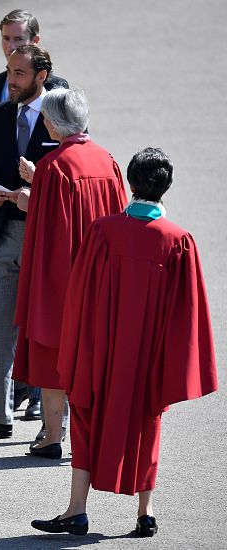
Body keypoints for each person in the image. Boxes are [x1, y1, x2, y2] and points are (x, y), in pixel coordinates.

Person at [31, 147, 217, 537]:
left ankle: (76, 510)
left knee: (84, 417)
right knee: (148, 424)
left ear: (130, 184)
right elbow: (187, 314)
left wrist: (76, 347)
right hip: (147, 358)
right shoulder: (178, 241)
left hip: (101, 351)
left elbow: (80, 296)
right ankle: (145, 513)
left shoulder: (103, 231)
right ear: (165, 188)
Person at [8, 87, 128, 459]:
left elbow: (47, 230)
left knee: (53, 355)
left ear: (57, 123)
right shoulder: (106, 160)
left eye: (45, 117)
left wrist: (28, 195)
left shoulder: (54, 167)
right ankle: (94, 437)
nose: (42, 122)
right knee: (96, 355)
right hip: (101, 276)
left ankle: (52, 436)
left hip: (63, 277)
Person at [0, 45, 63, 439]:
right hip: (3, 233)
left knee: (47, 326)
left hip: (46, 237)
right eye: (8, 71)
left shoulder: (61, 119)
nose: (11, 80)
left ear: (42, 75)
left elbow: (74, 170)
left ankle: (53, 418)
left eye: (19, 73)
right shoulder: (1, 114)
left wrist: (37, 188)